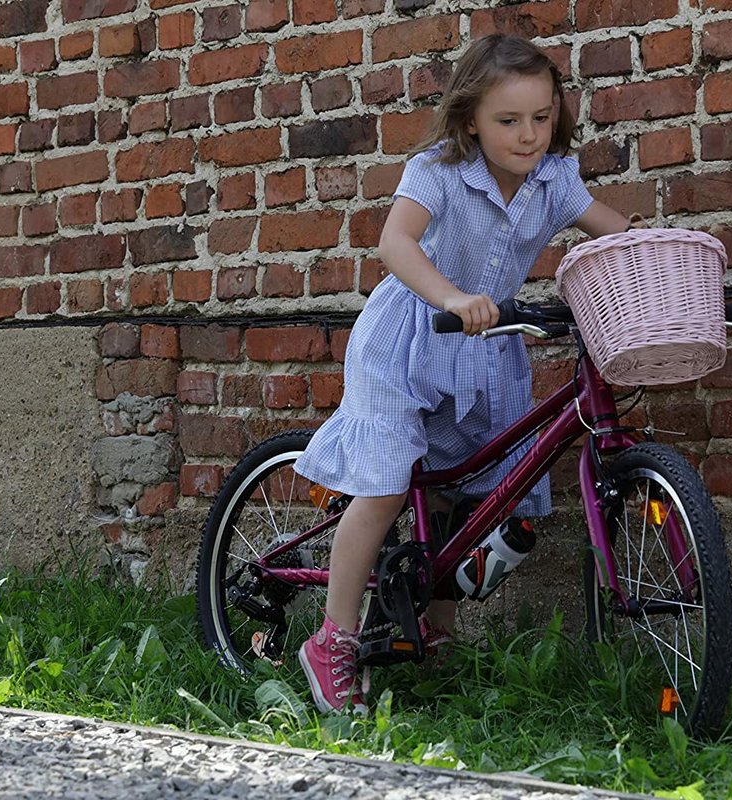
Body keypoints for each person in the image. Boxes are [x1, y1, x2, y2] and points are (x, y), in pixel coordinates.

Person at [293, 33, 636, 714]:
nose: (529, 134)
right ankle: (332, 639)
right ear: (471, 119)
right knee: (389, 484)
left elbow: (616, 229)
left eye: (542, 117)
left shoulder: (555, 180)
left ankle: (435, 631)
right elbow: (395, 243)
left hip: (486, 348)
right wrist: (449, 295)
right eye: (509, 121)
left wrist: (664, 258)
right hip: (411, 337)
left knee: (465, 493)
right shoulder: (439, 170)